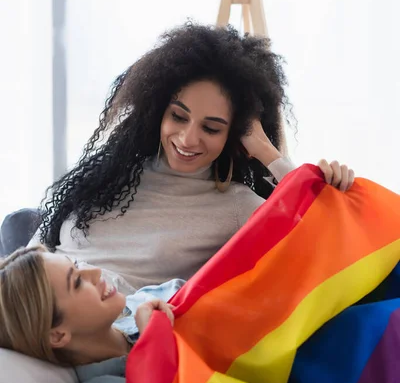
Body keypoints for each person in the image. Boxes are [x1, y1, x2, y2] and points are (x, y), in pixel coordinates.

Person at [35, 23, 354, 292]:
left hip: (105, 336)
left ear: (234, 135)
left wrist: (265, 151)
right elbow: (34, 255)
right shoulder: (108, 176)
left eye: (212, 128)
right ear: (157, 111)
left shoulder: (237, 207)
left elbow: (323, 252)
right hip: (34, 307)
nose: (188, 139)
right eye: (178, 116)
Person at [0, 246, 178, 383]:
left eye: (76, 265)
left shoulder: (149, 299)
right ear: (58, 335)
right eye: (77, 282)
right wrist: (152, 343)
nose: (96, 272)